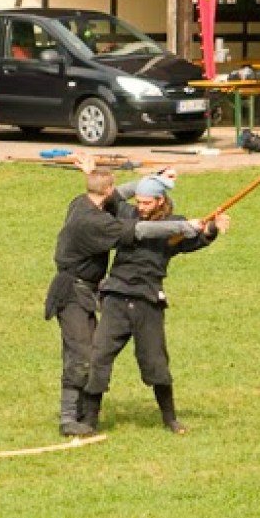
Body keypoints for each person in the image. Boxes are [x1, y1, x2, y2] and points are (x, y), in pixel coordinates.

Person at [45, 157, 199, 437]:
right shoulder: (97, 223)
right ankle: (70, 419)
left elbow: (119, 193)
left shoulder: (81, 202)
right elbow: (139, 230)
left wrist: (155, 178)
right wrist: (181, 226)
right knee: (83, 354)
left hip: (86, 291)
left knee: (91, 353)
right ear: (107, 190)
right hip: (72, 292)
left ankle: (81, 415)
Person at [82, 173, 227, 434]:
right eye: (139, 201)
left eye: (147, 203)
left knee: (155, 361)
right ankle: (89, 421)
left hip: (148, 300)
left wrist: (212, 228)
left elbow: (197, 240)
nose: (141, 207)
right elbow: (108, 198)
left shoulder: (175, 224)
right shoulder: (126, 214)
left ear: (160, 201)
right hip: (116, 296)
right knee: (99, 356)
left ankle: (170, 419)